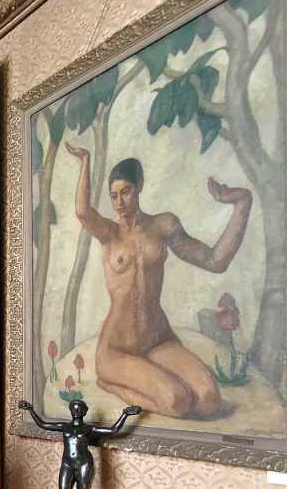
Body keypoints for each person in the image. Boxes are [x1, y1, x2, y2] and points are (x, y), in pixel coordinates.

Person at [65, 145, 253, 418]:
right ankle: (110, 382)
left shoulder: (163, 225)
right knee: (178, 401)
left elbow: (215, 261)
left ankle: (140, 380)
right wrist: (85, 160)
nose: (119, 202)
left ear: (139, 187)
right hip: (118, 349)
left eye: (126, 192)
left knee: (209, 397)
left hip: (158, 341)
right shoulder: (110, 232)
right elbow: (82, 212)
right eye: (113, 196)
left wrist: (242, 203)